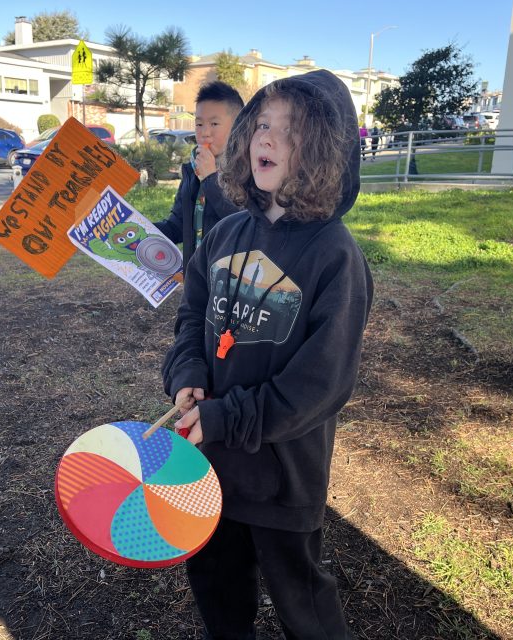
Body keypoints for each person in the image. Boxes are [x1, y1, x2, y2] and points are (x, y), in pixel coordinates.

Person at [162, 70, 373, 639]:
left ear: (324, 151)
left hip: (283, 477)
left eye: (288, 130)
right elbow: (191, 319)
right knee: (217, 588)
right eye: (260, 125)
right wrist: (187, 376)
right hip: (208, 468)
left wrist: (227, 418)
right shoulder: (223, 235)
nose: (266, 139)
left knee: (302, 602)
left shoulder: (334, 253)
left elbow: (321, 383)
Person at [155, 81, 244, 271]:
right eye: (199, 124)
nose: (204, 133)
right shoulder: (192, 170)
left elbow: (246, 226)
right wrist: (138, 227)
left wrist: (211, 179)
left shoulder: (249, 171)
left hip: (230, 283)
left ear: (238, 127)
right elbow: (178, 226)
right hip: (195, 281)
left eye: (214, 123)